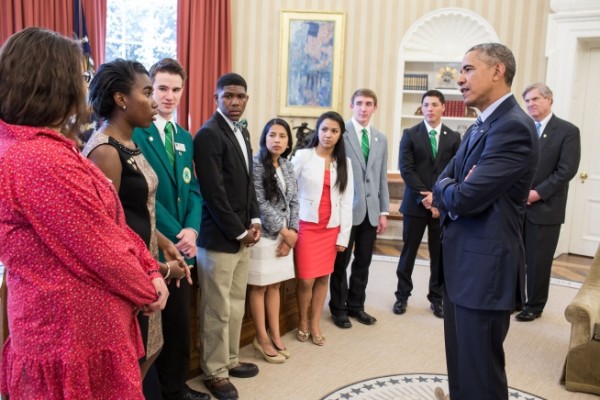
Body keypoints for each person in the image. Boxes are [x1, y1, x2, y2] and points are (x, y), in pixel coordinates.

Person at [0, 27, 168, 399]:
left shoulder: (39, 147)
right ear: (53, 83)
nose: (84, 85)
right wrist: (148, 284)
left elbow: (109, 225)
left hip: (79, 333)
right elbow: (100, 248)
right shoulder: (38, 158)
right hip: (70, 337)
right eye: (81, 76)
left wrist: (150, 267)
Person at [432, 43, 539, 399]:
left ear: (497, 71)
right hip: (462, 266)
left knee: (481, 378)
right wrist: (453, 186)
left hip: (484, 272)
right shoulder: (481, 125)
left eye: (468, 69)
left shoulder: (513, 127)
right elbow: (443, 180)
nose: (459, 79)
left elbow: (464, 197)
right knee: (461, 367)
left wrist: (452, 188)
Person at [83, 59, 192, 399]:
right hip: (129, 277)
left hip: (147, 264)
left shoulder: (128, 142)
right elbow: (106, 234)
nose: (155, 101)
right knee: (132, 364)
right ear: (121, 99)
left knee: (150, 351)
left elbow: (135, 210)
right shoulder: (105, 151)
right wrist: (161, 269)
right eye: (147, 92)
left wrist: (165, 243)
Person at [132, 58, 207, 400]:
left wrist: (192, 230)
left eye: (176, 89)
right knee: (154, 326)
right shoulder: (136, 132)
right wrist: (177, 233)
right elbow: (142, 194)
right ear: (150, 89)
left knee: (179, 321)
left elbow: (192, 189)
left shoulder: (184, 137)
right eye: (162, 88)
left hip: (184, 244)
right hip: (154, 243)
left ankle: (177, 388)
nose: (169, 96)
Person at [193, 73, 260, 400]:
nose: (235, 102)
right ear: (216, 98)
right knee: (216, 309)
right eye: (228, 96)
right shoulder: (208, 134)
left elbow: (248, 183)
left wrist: (256, 219)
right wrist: (239, 231)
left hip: (243, 235)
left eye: (240, 96)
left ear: (246, 98)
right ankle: (215, 371)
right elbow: (213, 193)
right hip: (219, 238)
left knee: (235, 304)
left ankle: (230, 359)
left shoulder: (242, 130)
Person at [515, 82, 581, 322]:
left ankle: (534, 305)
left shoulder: (567, 131)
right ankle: (515, 300)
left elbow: (566, 170)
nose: (531, 104)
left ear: (549, 99)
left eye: (535, 99)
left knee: (538, 262)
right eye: (527, 101)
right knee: (515, 258)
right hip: (516, 206)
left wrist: (537, 193)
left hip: (545, 208)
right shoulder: (522, 129)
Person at [393, 90, 461, 318]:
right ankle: (402, 296)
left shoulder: (454, 137)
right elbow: (406, 169)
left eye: (434, 104)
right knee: (408, 252)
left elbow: (455, 171)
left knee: (439, 255)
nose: (430, 109)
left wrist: (438, 199)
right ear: (421, 108)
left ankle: (436, 298)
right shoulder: (410, 134)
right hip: (415, 205)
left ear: (443, 107)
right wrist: (426, 197)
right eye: (426, 105)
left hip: (442, 207)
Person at [329, 89, 389, 328]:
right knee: (340, 263)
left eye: (369, 104)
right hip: (346, 210)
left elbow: (381, 177)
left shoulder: (380, 139)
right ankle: (338, 309)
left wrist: (383, 211)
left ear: (375, 108)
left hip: (371, 211)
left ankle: (356, 306)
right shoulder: (340, 135)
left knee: (363, 262)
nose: (364, 108)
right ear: (351, 106)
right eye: (360, 103)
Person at [292, 111, 354, 346]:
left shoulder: (345, 163)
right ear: (318, 131)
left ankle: (315, 322)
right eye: (325, 129)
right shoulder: (303, 156)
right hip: (306, 227)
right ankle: (302, 320)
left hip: (331, 228)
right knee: (306, 280)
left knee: (322, 278)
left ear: (340, 135)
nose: (328, 135)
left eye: (334, 131)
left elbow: (347, 201)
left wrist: (343, 236)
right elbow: (288, 189)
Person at [248, 118, 299, 363]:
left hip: (286, 235)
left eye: (282, 136)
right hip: (265, 235)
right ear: (264, 138)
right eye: (272, 135)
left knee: (275, 285)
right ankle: (261, 338)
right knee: (260, 286)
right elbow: (259, 202)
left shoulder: (288, 165)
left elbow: (295, 201)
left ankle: (275, 334)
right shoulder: (256, 163)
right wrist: (284, 232)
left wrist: (293, 233)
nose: (277, 140)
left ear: (288, 142)